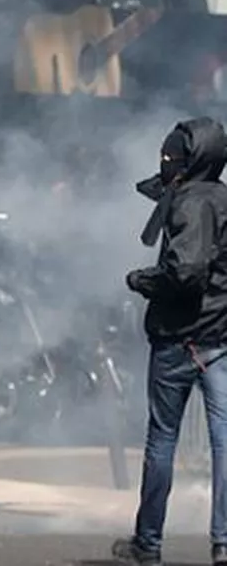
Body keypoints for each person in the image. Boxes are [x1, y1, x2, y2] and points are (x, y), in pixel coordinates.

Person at [113, 117, 227, 566]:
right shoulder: (221, 199)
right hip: (220, 336)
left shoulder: (190, 203)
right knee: (223, 440)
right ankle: (223, 541)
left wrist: (143, 280)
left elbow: (186, 271)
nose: (164, 163)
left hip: (180, 341)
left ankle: (149, 542)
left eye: (171, 156)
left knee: (162, 440)